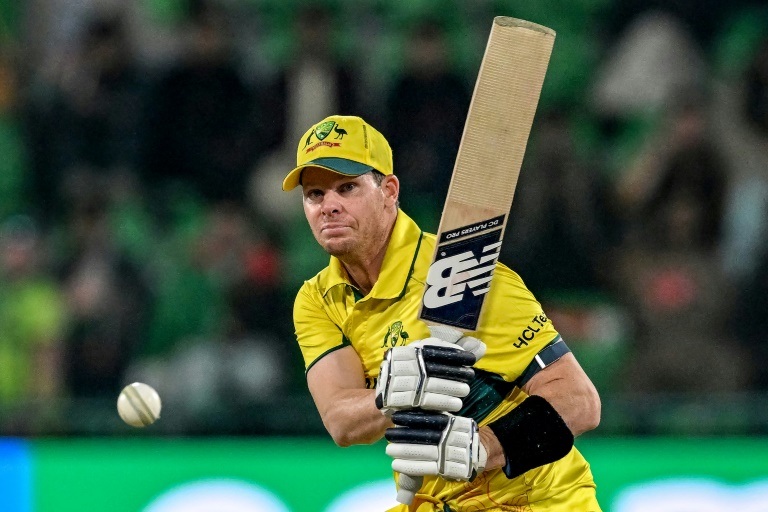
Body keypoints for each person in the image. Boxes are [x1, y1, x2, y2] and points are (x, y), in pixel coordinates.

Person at [282, 115, 602, 511]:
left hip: (537, 501)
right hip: (437, 502)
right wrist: (391, 396)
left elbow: (580, 402)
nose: (329, 206)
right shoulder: (318, 299)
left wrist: (484, 446)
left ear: (389, 190)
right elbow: (341, 421)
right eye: (314, 194)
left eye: (347, 188)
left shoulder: (465, 275)